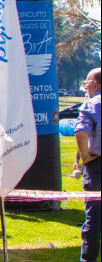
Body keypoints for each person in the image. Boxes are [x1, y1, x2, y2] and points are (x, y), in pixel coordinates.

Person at [74, 67, 100, 262]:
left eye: (86, 83)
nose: (85, 87)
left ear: (96, 84)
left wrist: (85, 157)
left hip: (97, 167)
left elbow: (81, 131)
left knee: (94, 219)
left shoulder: (91, 105)